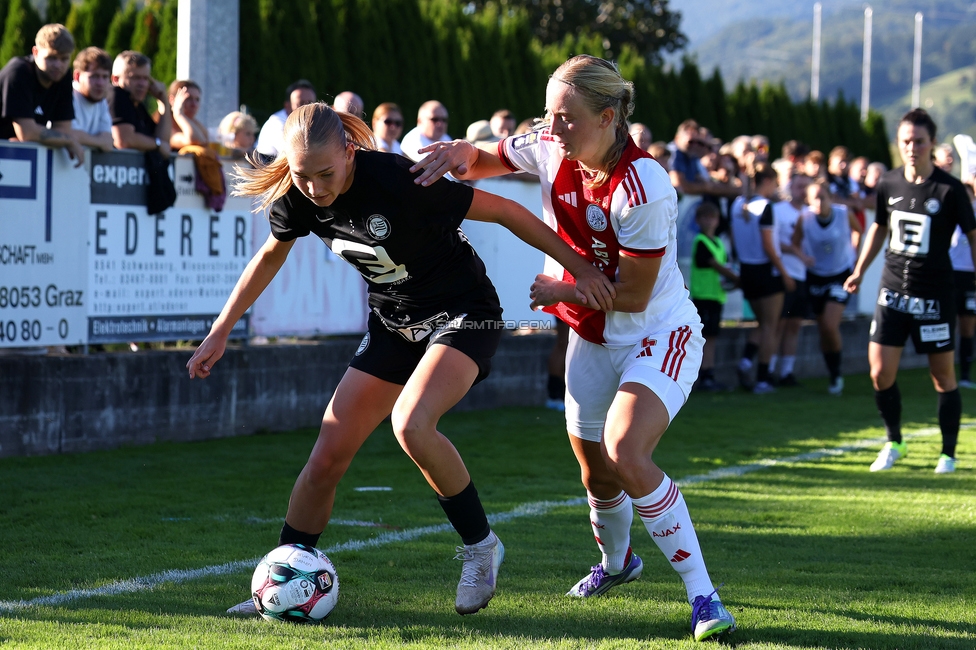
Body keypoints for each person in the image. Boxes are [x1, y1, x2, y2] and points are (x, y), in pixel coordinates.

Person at [187, 103, 614, 617]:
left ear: (350, 152)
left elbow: (507, 211)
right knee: (327, 454)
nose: (315, 188)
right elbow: (271, 254)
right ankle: (280, 581)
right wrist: (221, 330)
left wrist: (581, 270)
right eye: (302, 175)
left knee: (411, 423)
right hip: (394, 325)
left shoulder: (400, 180)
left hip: (464, 314)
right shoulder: (298, 194)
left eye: (325, 174)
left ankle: (481, 546)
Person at [410, 54, 737, 642]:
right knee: (596, 472)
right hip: (590, 335)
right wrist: (460, 152)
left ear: (608, 117)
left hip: (657, 333)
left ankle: (704, 597)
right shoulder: (550, 143)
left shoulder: (645, 186)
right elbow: (487, 159)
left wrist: (562, 288)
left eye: (566, 117)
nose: (552, 127)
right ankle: (617, 564)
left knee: (625, 450)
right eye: (548, 113)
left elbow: (633, 295)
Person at [844, 109, 976, 475]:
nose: (912, 148)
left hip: (934, 297)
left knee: (942, 377)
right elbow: (878, 227)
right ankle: (894, 441)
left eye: (919, 141)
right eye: (906, 141)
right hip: (892, 293)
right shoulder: (888, 182)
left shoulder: (949, 189)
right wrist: (859, 270)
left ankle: (948, 453)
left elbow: (972, 236)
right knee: (879, 373)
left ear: (932, 143)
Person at [731, 164, 796, 394]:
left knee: (762, 322)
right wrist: (785, 273)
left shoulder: (737, 203)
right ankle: (762, 379)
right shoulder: (766, 206)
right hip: (765, 270)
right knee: (770, 326)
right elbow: (769, 245)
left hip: (746, 269)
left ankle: (746, 361)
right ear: (767, 180)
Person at [793, 180, 861, 395]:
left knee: (831, 325)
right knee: (824, 329)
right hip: (816, 277)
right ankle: (833, 373)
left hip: (840, 274)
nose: (820, 202)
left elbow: (858, 231)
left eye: (823, 197)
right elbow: (795, 242)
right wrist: (803, 257)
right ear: (808, 200)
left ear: (831, 198)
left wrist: (854, 254)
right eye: (815, 198)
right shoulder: (804, 218)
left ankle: (837, 373)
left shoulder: (843, 213)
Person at [0, 23, 84, 166]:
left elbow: (63, 128)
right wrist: (68, 140)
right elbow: (28, 133)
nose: (58, 65)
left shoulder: (62, 77)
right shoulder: (18, 72)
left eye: (64, 59)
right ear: (35, 52)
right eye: (51, 58)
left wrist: (62, 137)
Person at [770, 173, 813, 387]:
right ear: (790, 187)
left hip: (802, 273)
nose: (802, 191)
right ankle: (769, 369)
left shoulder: (811, 213)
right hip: (783, 272)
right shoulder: (779, 210)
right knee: (778, 324)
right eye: (799, 186)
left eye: (806, 187)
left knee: (795, 324)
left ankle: (787, 372)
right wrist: (798, 253)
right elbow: (773, 241)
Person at [690, 202, 738, 391]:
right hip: (703, 296)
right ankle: (702, 375)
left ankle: (709, 373)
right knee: (703, 337)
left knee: (712, 336)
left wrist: (731, 281)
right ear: (698, 220)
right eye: (705, 217)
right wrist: (737, 279)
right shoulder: (701, 241)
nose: (709, 221)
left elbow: (724, 266)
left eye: (712, 217)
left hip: (716, 296)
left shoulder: (718, 242)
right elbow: (717, 265)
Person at [110, 51, 172, 157]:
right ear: (115, 79)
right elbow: (124, 140)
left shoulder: (137, 105)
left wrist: (163, 101)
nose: (142, 84)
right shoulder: (117, 94)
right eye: (135, 78)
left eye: (146, 78)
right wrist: (158, 145)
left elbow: (164, 140)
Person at [255, 79, 316, 157]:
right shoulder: (277, 123)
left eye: (311, 103)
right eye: (301, 103)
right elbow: (294, 154)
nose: (306, 108)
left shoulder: (313, 122)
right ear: (287, 106)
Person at [70, 46, 114, 152]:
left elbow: (108, 142)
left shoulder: (101, 101)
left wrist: (83, 139)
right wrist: (100, 142)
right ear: (77, 76)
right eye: (94, 76)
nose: (100, 83)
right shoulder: (66, 96)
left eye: (105, 77)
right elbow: (69, 133)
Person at [168, 79, 208, 149]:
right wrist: (179, 114)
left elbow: (206, 141)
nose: (194, 105)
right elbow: (195, 140)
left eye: (197, 99)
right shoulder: (166, 124)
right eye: (188, 99)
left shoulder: (196, 124)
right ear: (172, 100)